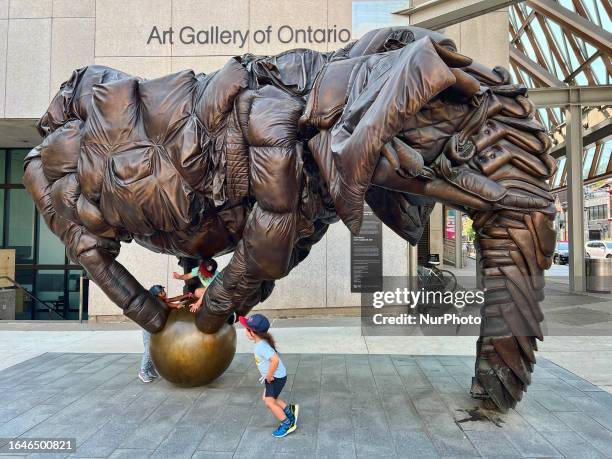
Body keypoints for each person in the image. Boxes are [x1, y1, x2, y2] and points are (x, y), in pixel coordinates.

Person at [240, 313, 299, 438]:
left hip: (275, 378)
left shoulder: (261, 346)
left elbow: (275, 360)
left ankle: (287, 424)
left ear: (253, 333)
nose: (245, 331)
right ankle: (290, 411)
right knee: (268, 398)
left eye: (247, 329)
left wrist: (269, 375)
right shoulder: (261, 343)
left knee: (269, 402)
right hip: (276, 376)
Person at [139, 285, 192, 383]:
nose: (164, 292)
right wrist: (176, 305)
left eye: (163, 290)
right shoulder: (156, 302)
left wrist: (185, 296)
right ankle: (142, 372)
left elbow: (172, 299)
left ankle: (149, 369)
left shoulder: (161, 299)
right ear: (156, 295)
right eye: (161, 292)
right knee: (148, 349)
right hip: (148, 327)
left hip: (154, 326)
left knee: (152, 348)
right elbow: (167, 305)